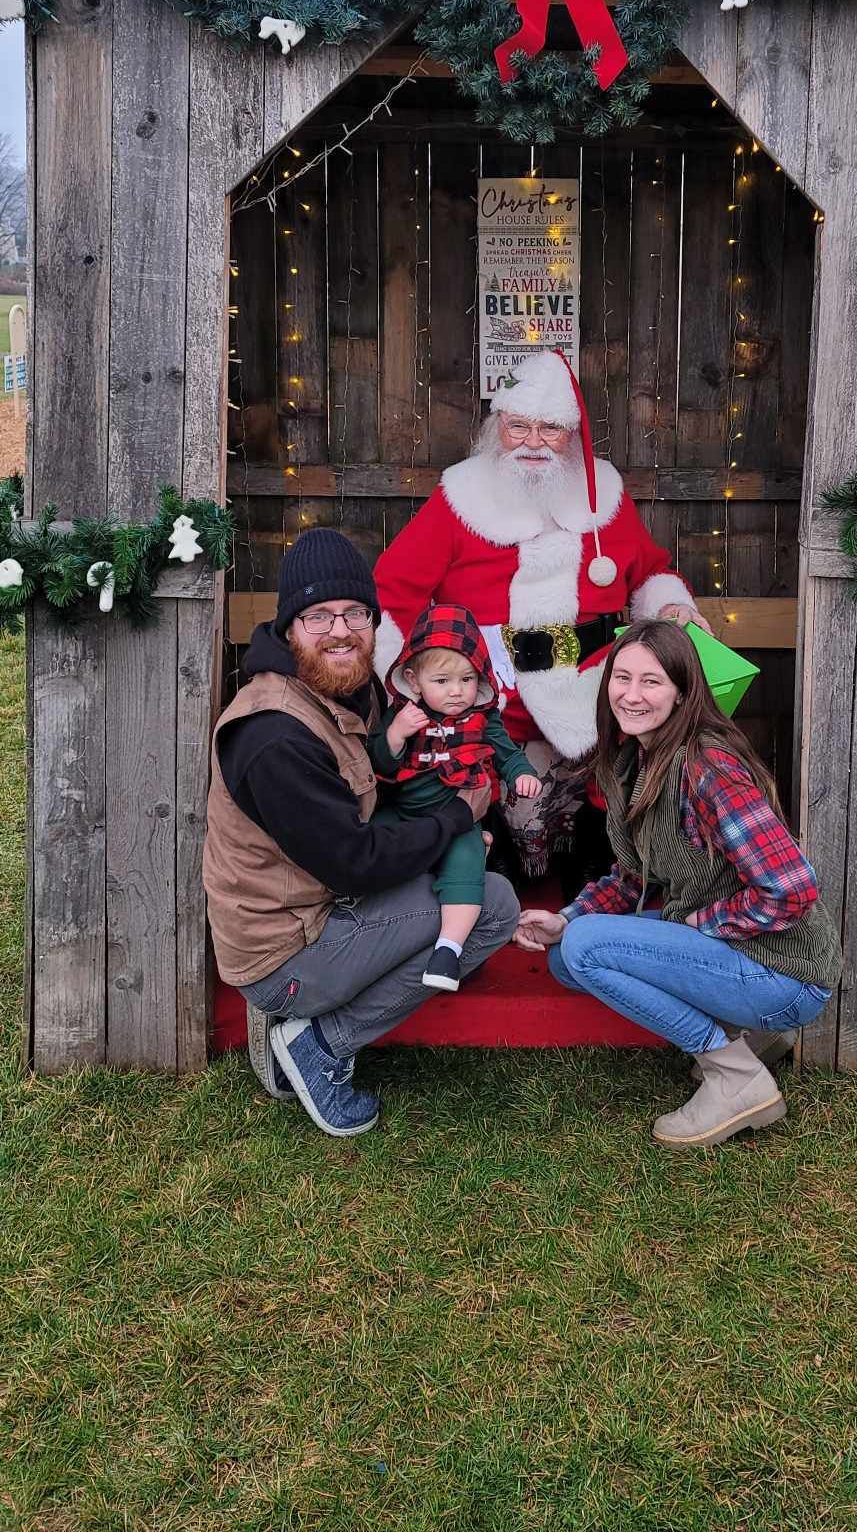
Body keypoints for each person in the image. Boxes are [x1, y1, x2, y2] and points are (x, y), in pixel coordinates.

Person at [202, 528, 519, 1139]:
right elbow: (355, 862)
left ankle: (327, 1014)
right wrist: (457, 818)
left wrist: (449, 831)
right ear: (289, 627)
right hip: (286, 952)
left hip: (325, 904)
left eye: (354, 613)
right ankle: (318, 1042)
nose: (340, 631)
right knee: (493, 907)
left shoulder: (347, 688)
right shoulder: (274, 735)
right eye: (318, 616)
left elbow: (388, 793)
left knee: (470, 878)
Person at [374, 348, 711, 875]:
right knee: (489, 846)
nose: (533, 442)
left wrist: (670, 604)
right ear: (497, 426)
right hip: (492, 702)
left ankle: (596, 911)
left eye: (550, 429)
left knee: (608, 840)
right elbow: (396, 590)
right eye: (518, 426)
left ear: (572, 434)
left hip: (600, 692)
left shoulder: (605, 495)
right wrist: (417, 682)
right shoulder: (460, 496)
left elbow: (647, 573)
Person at [515, 621, 842, 1150]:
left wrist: (701, 923)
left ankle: (734, 1075)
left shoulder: (709, 768)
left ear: (684, 691)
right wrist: (566, 919)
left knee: (589, 949)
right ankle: (751, 1036)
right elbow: (631, 876)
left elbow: (792, 889)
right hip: (739, 956)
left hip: (786, 972)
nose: (632, 694)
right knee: (567, 952)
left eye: (652, 681)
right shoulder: (635, 761)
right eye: (622, 677)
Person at [368, 604, 542, 993]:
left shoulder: (482, 718)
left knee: (467, 865)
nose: (456, 691)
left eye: (466, 679)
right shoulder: (403, 714)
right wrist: (395, 734)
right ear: (413, 680)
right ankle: (366, 920)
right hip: (405, 813)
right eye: (443, 680)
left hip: (459, 816)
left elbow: (507, 752)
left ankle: (448, 949)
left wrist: (523, 774)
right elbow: (378, 760)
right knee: (373, 840)